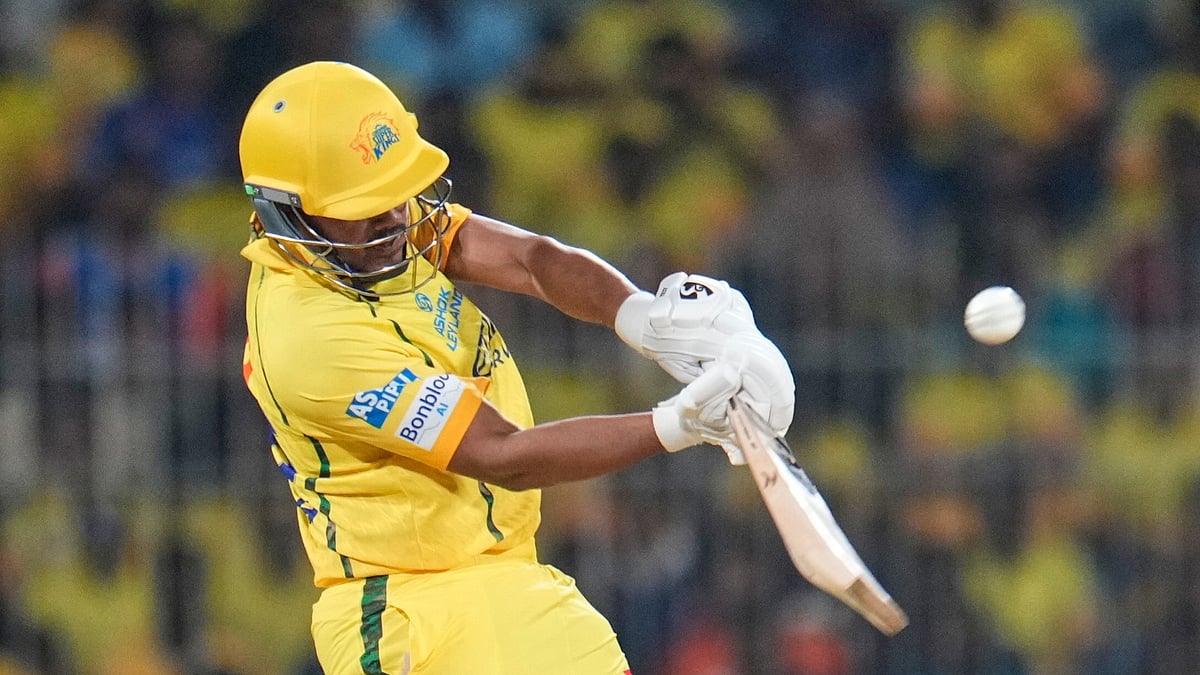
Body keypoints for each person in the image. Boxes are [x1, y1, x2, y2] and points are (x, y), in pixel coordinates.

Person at [236, 60, 794, 674]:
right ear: (288, 216)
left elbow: (530, 259)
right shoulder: (308, 339)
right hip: (408, 614)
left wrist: (641, 318)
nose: (395, 218)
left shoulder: (373, 232)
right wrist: (682, 422)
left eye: (397, 193)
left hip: (513, 575)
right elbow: (507, 455)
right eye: (367, 205)